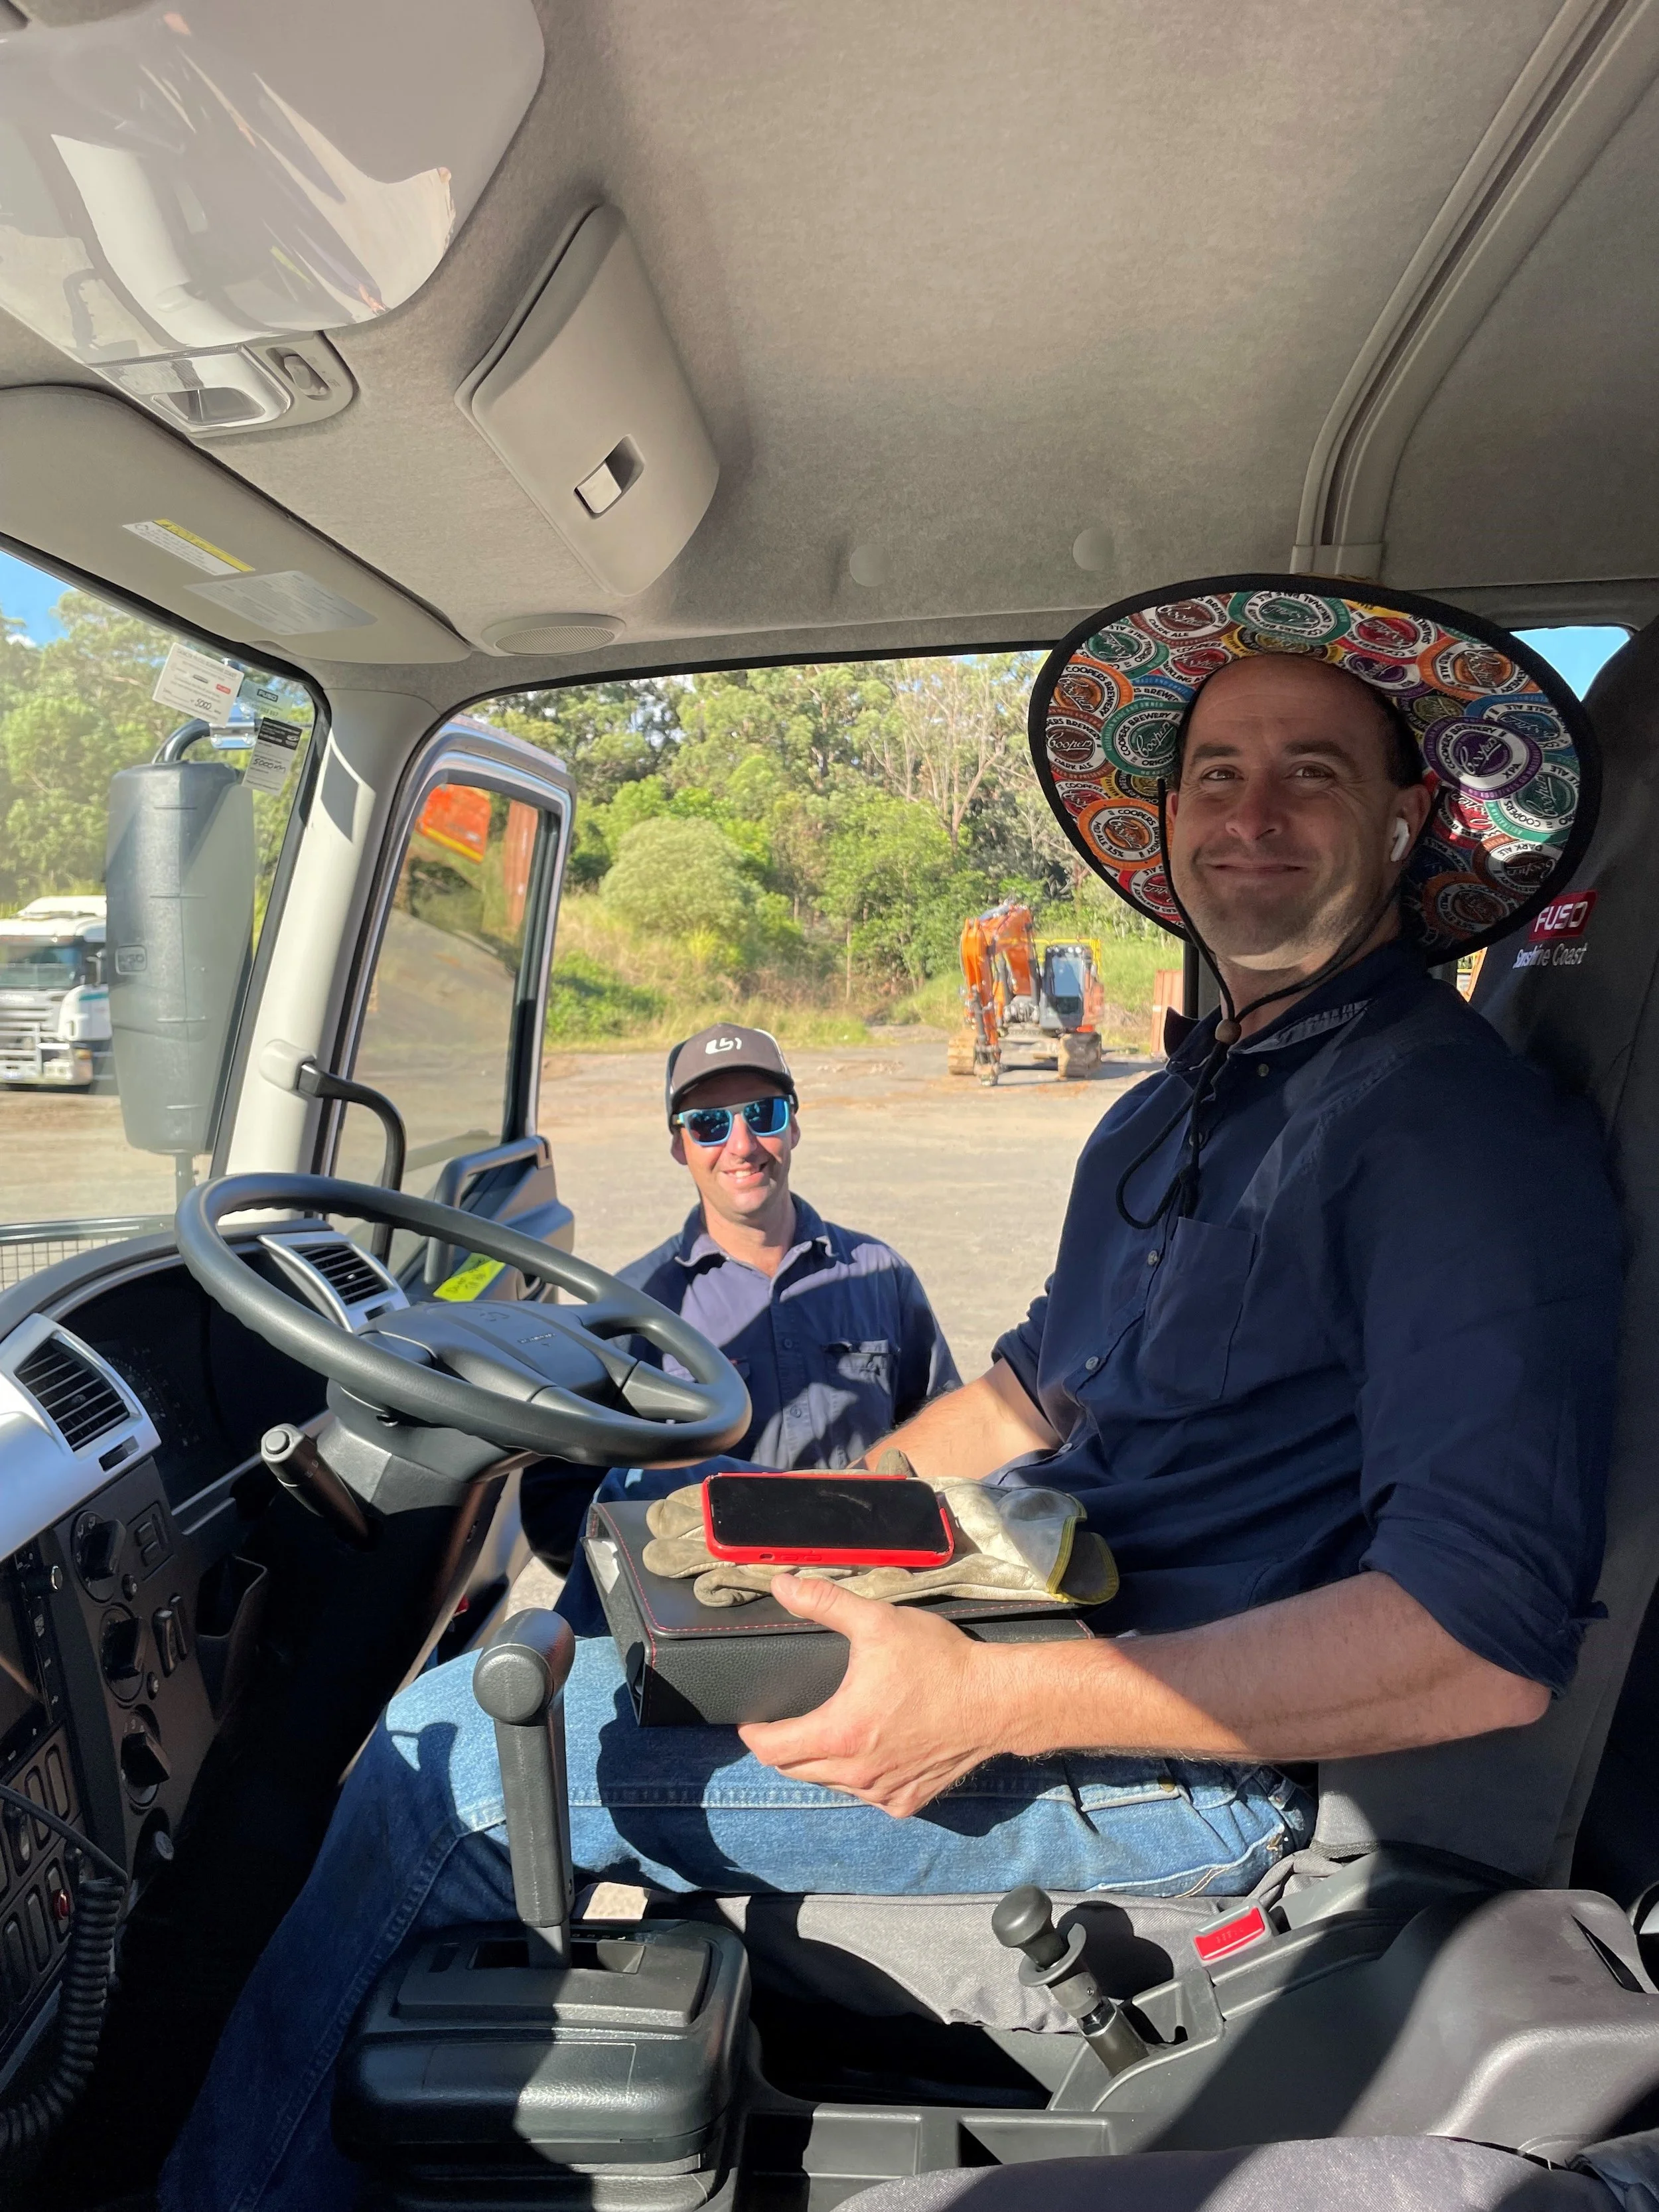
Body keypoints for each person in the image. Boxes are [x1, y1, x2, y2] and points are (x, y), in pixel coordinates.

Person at [161, 579, 1623, 2212]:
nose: (1252, 816)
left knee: (440, 1767)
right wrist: (744, 1534)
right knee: (607, 1605)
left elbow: (1479, 1641)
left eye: (1315, 774)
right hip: (1040, 1614)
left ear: (1410, 817)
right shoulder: (1170, 1112)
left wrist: (989, 1705)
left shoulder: (1449, 1137)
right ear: (1168, 818)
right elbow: (1020, 1404)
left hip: (1196, 1772)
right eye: (1217, 773)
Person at [528, 1021, 960, 1627]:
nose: (741, 1143)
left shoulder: (880, 1275)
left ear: (795, 1124)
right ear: (680, 1144)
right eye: (708, 1122)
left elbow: (954, 1434)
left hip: (874, 1605)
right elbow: (558, 1503)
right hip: (712, 1617)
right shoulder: (634, 1307)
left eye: (763, 1113)